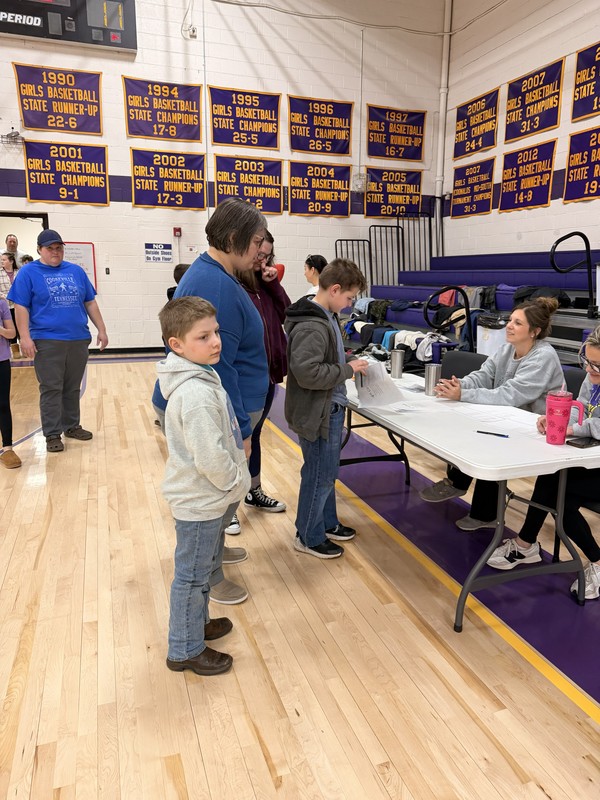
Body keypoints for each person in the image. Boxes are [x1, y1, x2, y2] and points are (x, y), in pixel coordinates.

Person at [174, 197, 270, 600]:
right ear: (234, 239)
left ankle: (215, 554)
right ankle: (209, 575)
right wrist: (242, 429)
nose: (261, 253)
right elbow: (220, 366)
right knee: (220, 494)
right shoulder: (215, 282)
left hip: (235, 403)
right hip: (229, 409)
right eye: (256, 243)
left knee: (226, 493)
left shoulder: (217, 275)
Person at [158, 297, 250, 675]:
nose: (216, 342)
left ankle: (196, 625)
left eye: (215, 333)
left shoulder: (200, 375)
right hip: (200, 501)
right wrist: (233, 483)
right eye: (203, 337)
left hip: (208, 500)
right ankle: (184, 648)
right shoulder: (194, 394)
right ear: (176, 345)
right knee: (192, 577)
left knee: (202, 570)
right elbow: (209, 456)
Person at [420, 298, 564, 530]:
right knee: (471, 425)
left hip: (538, 429)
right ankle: (457, 482)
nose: (509, 325)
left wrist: (463, 395)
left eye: (517, 323)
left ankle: (485, 513)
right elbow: (484, 375)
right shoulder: (508, 348)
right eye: (510, 320)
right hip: (509, 418)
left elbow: (510, 395)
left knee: (490, 440)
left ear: (534, 331)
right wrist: (459, 386)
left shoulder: (543, 357)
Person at [487, 327, 600, 599]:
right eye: (586, 362)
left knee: (555, 489)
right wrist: (558, 419)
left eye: (597, 365)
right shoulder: (591, 377)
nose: (590, 371)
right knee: (554, 483)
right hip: (591, 459)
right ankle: (531, 545)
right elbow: (582, 408)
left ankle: (528, 545)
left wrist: (574, 429)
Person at [285, 258, 369, 558]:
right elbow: (307, 373)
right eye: (348, 298)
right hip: (317, 412)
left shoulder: (327, 316)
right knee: (320, 474)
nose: (349, 305)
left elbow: (325, 357)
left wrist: (343, 360)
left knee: (327, 472)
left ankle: (327, 523)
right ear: (334, 290)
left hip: (326, 407)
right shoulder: (312, 324)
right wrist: (346, 369)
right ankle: (308, 535)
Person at [8, 229, 108, 453]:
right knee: (51, 388)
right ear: (39, 250)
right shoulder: (28, 273)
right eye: (50, 248)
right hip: (46, 339)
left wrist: (101, 329)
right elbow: (21, 306)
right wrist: (24, 337)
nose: (55, 252)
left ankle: (71, 425)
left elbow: (89, 302)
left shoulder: (75, 271)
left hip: (78, 338)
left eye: (59, 247)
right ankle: (52, 433)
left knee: (72, 387)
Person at [234, 230, 290, 518]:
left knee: (254, 434)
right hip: (242, 377)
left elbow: (287, 316)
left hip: (268, 375)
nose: (261, 260)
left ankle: (253, 490)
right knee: (233, 437)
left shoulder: (266, 285)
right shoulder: (233, 285)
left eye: (266, 256)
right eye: (258, 254)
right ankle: (228, 506)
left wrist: (274, 285)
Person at [0, 298, 21, 468]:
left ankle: (8, 448)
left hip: (1, 360)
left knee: (3, 404)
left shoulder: (1, 304)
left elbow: (12, 333)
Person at [0, 251, 20, 357]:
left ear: (11, 261)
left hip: (18, 305)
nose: (2, 261)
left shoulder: (19, 272)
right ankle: (15, 351)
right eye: (1, 260)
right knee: (9, 327)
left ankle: (25, 349)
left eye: (4, 260)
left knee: (19, 326)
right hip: (5, 305)